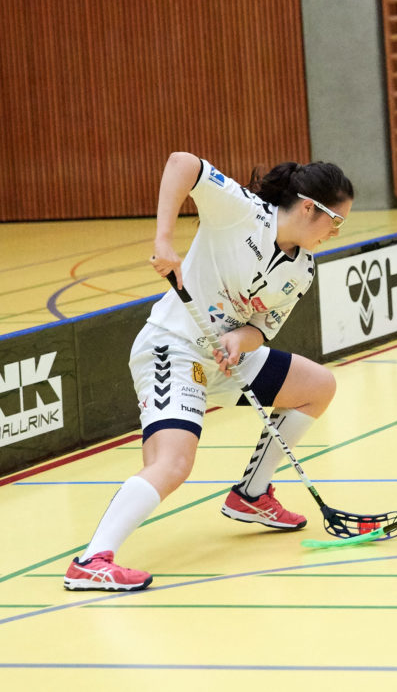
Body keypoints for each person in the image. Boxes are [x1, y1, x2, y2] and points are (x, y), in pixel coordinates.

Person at [63, 152, 353, 591]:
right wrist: (164, 239)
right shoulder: (241, 211)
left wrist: (242, 340)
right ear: (309, 206)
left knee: (319, 386)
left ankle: (250, 496)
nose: (335, 232)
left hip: (222, 358)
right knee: (172, 464)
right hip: (173, 348)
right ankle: (91, 560)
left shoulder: (302, 269)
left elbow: (261, 327)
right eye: (335, 220)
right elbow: (182, 163)